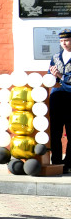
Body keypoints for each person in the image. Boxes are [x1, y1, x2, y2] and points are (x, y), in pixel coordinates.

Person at [48, 28, 71, 174]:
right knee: (55, 132)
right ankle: (56, 162)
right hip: (57, 98)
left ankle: (68, 162)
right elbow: (50, 75)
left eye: (67, 40)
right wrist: (51, 76)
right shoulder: (56, 56)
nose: (64, 43)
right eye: (62, 41)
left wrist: (61, 76)